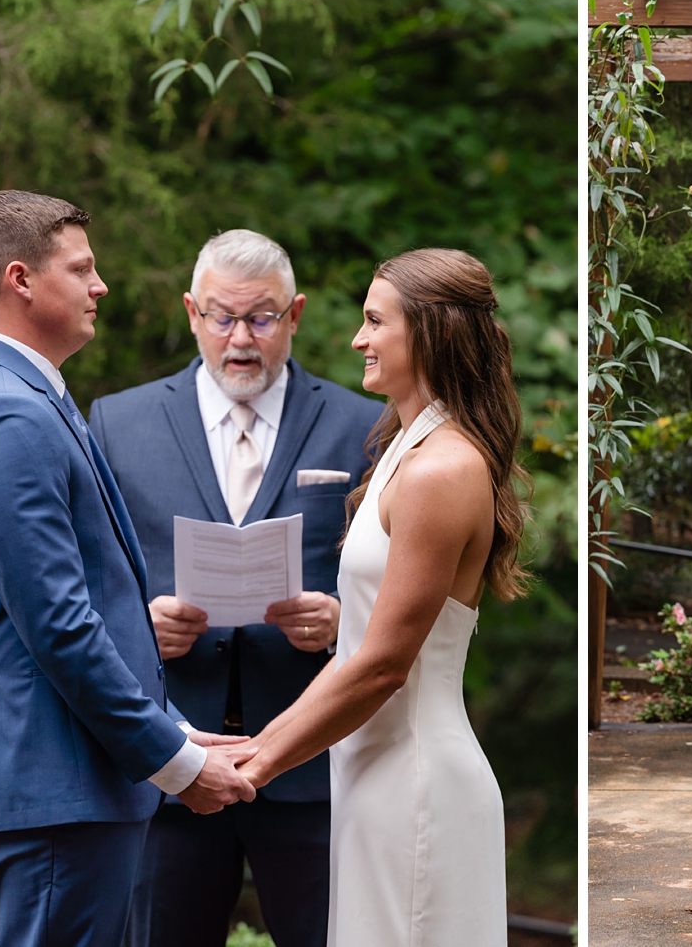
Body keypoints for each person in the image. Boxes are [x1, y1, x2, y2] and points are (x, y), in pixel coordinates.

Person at [0, 191, 256, 947]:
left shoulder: (23, 395)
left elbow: (89, 610)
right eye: (81, 268)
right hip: (56, 790)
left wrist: (170, 724)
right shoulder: (6, 414)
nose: (100, 285)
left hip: (74, 784)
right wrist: (173, 763)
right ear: (20, 279)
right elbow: (58, 629)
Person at [88, 230, 383, 947]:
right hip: (170, 761)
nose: (240, 339)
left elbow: (398, 584)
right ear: (191, 312)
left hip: (313, 765)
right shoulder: (116, 423)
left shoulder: (364, 424)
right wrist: (138, 623)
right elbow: (83, 585)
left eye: (262, 318)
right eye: (222, 317)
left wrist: (344, 619)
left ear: (297, 315)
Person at [234, 247, 527, 946]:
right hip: (372, 776)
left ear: (432, 332)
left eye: (375, 321)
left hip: (418, 782)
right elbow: (359, 649)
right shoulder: (403, 448)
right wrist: (256, 748)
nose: (358, 339)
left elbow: (383, 664)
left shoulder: (442, 470)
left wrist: (255, 767)